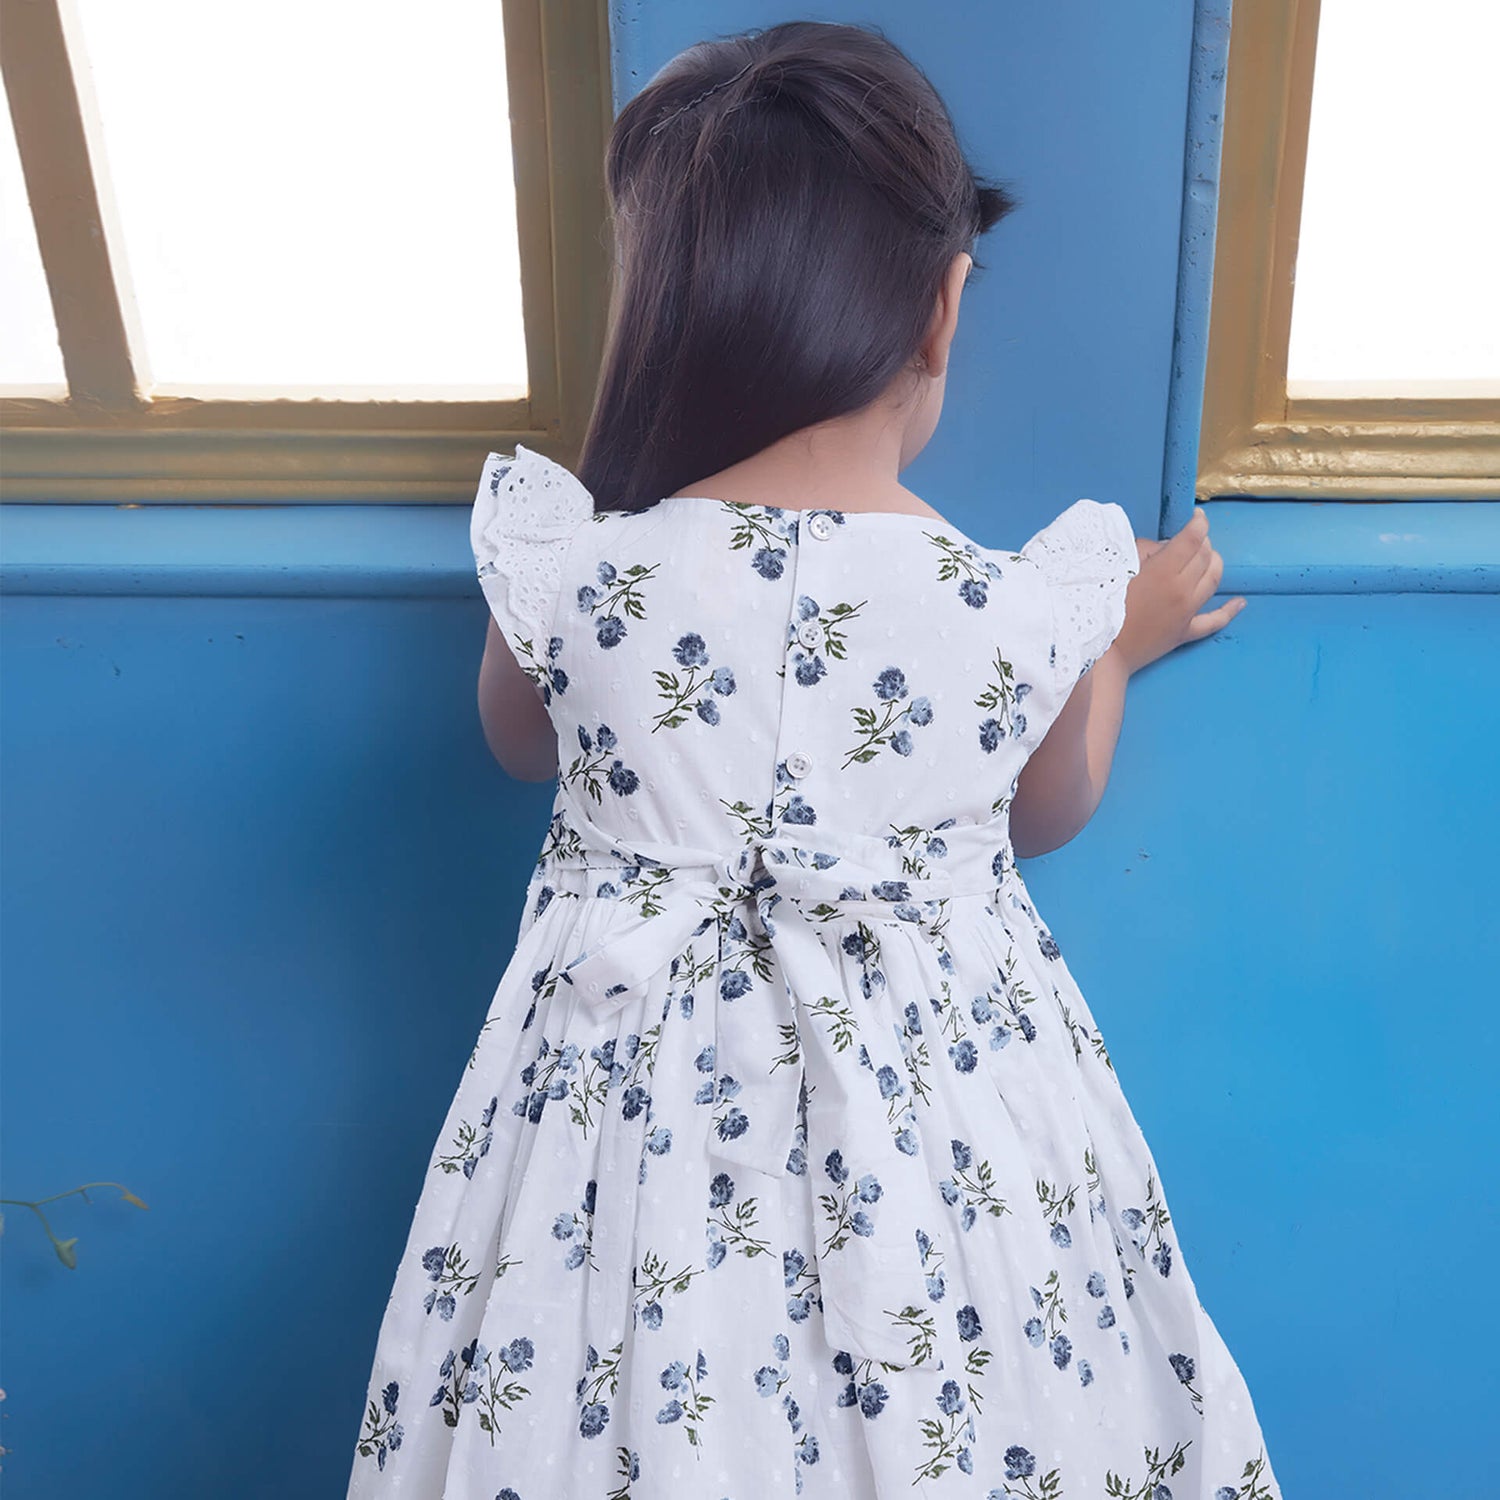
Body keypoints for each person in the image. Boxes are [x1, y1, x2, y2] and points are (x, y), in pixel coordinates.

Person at [347, 19, 1279, 1499]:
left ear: (661, 313)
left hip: (616, 1149)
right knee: (986, 1386)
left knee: (593, 1397)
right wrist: (1110, 652)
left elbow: (516, 741)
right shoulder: (1013, 608)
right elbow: (1051, 810)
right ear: (940, 313)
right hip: (939, 1126)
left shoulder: (575, 571)